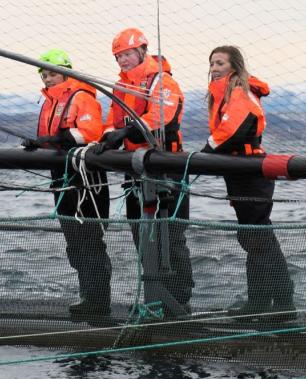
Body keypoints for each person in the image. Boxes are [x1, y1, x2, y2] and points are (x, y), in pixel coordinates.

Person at [93, 28, 194, 313]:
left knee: (171, 235)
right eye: (118, 56)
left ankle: (179, 299)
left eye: (126, 54)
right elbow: (114, 121)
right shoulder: (120, 86)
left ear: (142, 50)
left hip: (166, 166)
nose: (122, 60)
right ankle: (154, 295)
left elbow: (161, 118)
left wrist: (123, 131)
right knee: (140, 232)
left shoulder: (163, 82)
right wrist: (107, 137)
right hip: (135, 168)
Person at [202, 45, 296, 321]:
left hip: (250, 173)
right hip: (238, 172)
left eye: (220, 62)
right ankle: (266, 301)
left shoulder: (240, 91)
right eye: (212, 63)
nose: (214, 67)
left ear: (234, 66)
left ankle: (277, 304)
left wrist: (203, 154)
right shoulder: (224, 92)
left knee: (258, 238)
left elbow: (233, 129)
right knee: (256, 237)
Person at [22, 48, 112, 317]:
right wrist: (43, 143)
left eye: (51, 74)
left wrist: (56, 140)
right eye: (44, 75)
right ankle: (88, 295)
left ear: (65, 72)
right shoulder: (50, 101)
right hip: (60, 177)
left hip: (86, 179)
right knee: (74, 241)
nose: (47, 79)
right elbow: (55, 136)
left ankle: (98, 300)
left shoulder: (81, 96)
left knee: (90, 239)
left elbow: (90, 132)